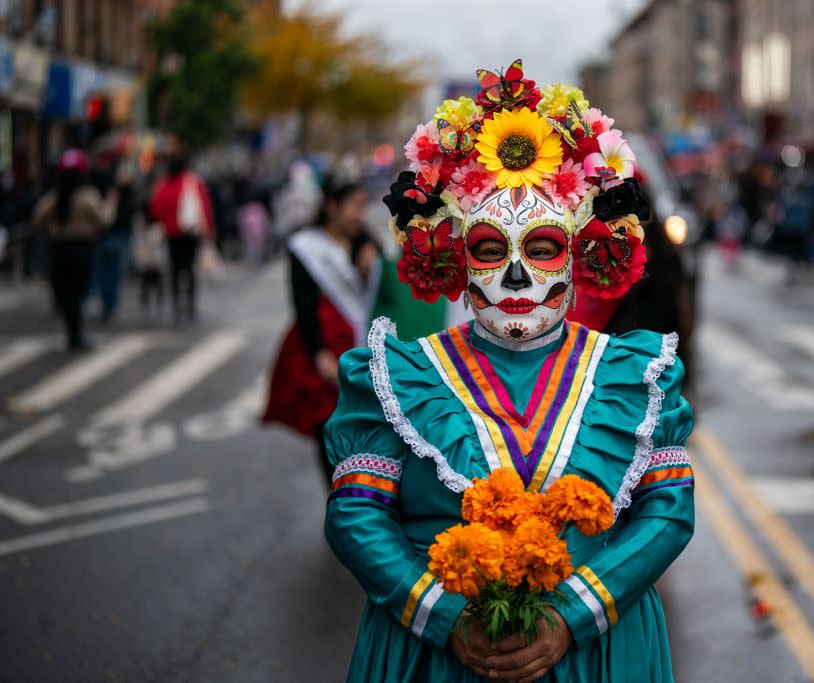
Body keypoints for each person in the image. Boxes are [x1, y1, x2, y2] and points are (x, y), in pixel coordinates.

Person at [323, 64, 695, 682]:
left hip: (596, 654)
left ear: (578, 254)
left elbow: (669, 508)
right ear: (453, 255)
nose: (517, 276)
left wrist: (572, 617)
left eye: (543, 247)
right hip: (439, 658)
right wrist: (443, 616)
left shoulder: (634, 374)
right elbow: (356, 514)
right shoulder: (399, 376)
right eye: (492, 250)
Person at [263, 181, 381, 484]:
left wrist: (374, 270)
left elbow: (383, 297)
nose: (359, 213)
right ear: (332, 206)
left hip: (360, 348)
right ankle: (340, 499)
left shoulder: (368, 244)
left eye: (362, 205)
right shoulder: (306, 247)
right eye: (353, 205)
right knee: (328, 431)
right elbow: (302, 305)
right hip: (324, 348)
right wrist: (319, 354)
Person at [32, 149, 116, 350]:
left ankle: (73, 332)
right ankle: (75, 334)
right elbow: (104, 220)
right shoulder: (87, 197)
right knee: (77, 293)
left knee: (67, 292)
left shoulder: (54, 198)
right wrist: (112, 202)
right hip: (81, 249)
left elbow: (37, 219)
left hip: (59, 248)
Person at [149, 154, 215, 324]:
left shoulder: (163, 185)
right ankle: (190, 304)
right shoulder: (192, 182)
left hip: (172, 234)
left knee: (175, 268)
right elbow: (204, 206)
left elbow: (156, 208)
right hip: (190, 232)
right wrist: (208, 229)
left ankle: (177, 304)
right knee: (190, 268)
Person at [92, 161, 137, 323]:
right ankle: (109, 304)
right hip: (113, 235)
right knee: (111, 273)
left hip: (110, 235)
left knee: (107, 272)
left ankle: (108, 305)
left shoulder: (117, 193)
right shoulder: (118, 193)